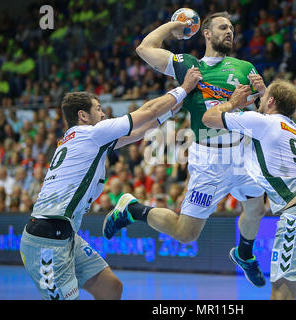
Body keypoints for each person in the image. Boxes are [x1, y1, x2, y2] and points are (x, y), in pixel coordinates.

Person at [19, 68, 202, 300]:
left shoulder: (83, 139)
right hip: (46, 241)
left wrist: (169, 112)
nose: (104, 114)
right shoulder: (91, 134)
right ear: (83, 116)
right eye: (98, 109)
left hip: (66, 235)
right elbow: (146, 111)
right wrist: (184, 88)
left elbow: (138, 132)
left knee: (111, 288)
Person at [115, 11, 267, 287]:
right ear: (206, 34)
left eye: (232, 28)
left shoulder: (245, 67)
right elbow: (144, 49)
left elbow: (265, 114)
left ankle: (244, 254)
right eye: (223, 27)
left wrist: (264, 92)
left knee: (256, 208)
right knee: (186, 234)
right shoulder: (189, 65)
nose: (229, 32)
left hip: (242, 153)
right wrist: (177, 26)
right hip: (208, 159)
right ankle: (133, 209)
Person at [201, 79, 296, 300]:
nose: (259, 100)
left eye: (263, 98)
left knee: (280, 293)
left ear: (272, 102)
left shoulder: (262, 123)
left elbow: (208, 119)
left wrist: (233, 103)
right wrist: (268, 92)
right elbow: (280, 108)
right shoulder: (294, 128)